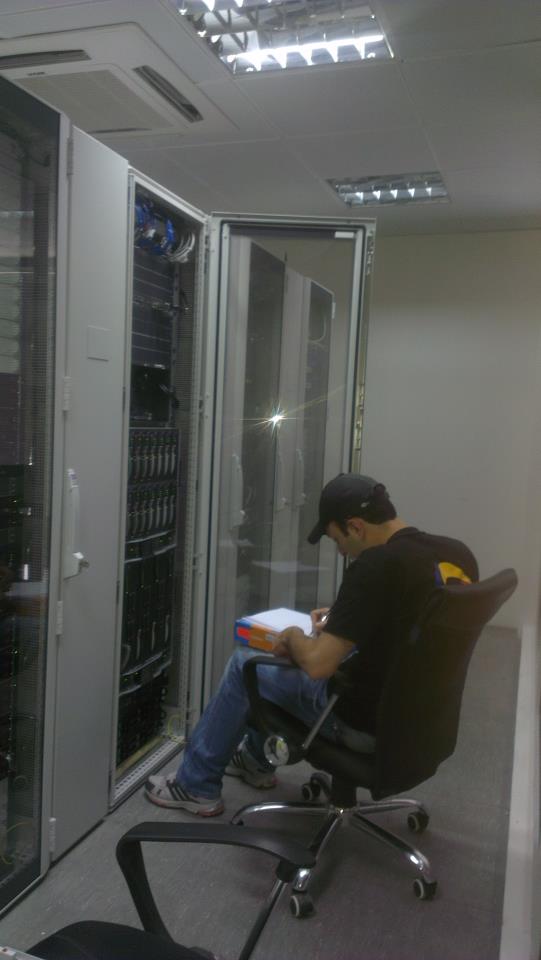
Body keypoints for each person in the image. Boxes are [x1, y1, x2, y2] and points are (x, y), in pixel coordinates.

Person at [145, 473, 478, 816]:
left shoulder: (374, 566)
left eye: (338, 540)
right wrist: (345, 616)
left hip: (364, 723)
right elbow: (413, 621)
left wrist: (293, 635)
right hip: (421, 722)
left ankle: (195, 785)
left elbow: (319, 665)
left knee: (247, 664)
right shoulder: (454, 554)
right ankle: (254, 762)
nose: (342, 551)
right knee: (281, 671)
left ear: (356, 526)